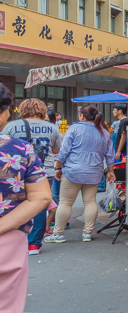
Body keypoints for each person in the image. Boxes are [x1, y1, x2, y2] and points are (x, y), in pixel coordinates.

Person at [0, 83, 52, 313]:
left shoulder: (12, 127)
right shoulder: (22, 149)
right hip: (8, 237)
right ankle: (36, 241)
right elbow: (40, 199)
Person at [2, 98, 62, 255]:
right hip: (45, 169)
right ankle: (34, 243)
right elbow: (56, 150)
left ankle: (16, 238)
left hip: (16, 171)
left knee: (16, 202)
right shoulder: (52, 127)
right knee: (40, 205)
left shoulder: (11, 126)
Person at [48, 106, 116, 243]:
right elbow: (110, 155)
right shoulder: (104, 133)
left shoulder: (74, 129)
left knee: (65, 203)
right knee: (90, 202)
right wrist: (110, 171)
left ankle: (58, 233)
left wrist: (57, 167)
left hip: (72, 171)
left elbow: (63, 152)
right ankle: (87, 233)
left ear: (81, 116)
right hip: (94, 172)